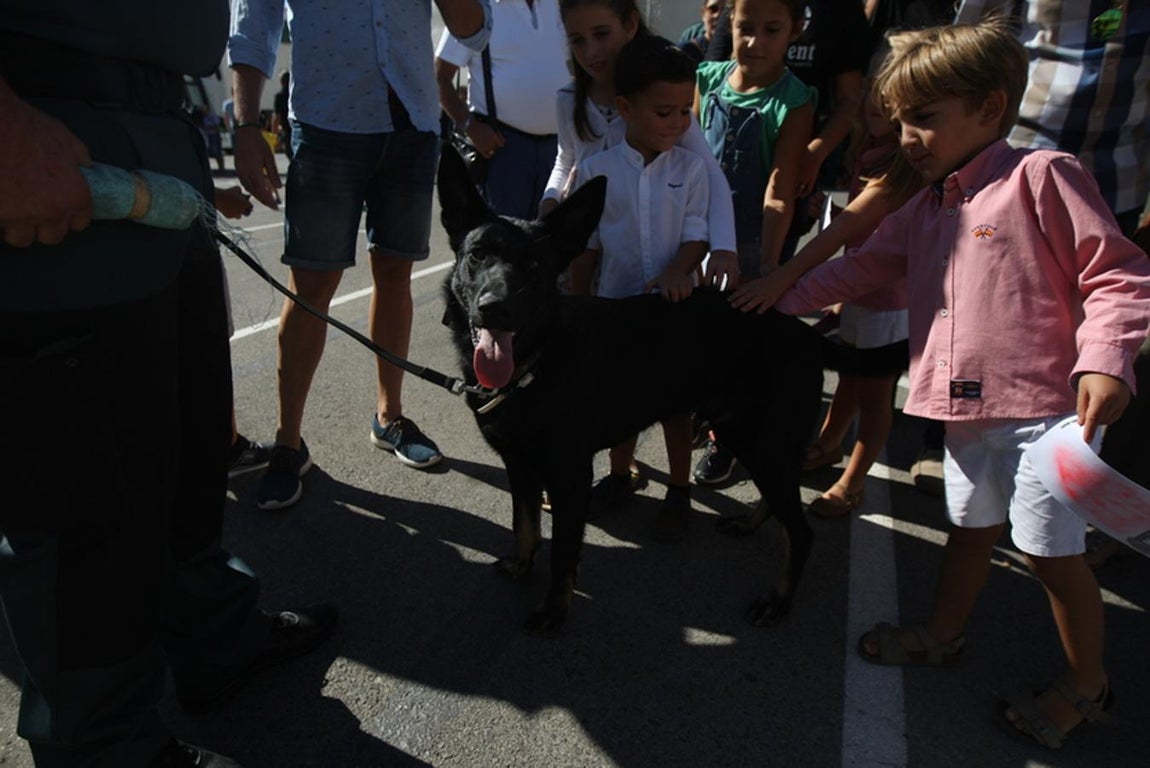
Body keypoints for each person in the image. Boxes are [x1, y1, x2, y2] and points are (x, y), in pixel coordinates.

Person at [773, 21, 1150, 748]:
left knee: (1049, 554)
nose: (908, 135)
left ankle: (1087, 684)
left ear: (989, 107)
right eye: (901, 118)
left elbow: (1118, 272)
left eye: (925, 118)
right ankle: (945, 634)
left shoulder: (1041, 176)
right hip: (965, 412)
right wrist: (769, 299)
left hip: (1047, 417)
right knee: (970, 528)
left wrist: (1106, 357)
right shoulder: (926, 206)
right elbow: (861, 270)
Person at [0, 4, 338, 765]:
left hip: (153, 147)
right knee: (84, 498)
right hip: (54, 145)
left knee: (186, 446)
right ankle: (105, 746)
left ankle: (216, 638)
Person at [228, 0, 492, 510]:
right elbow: (253, 21)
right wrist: (244, 125)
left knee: (395, 275)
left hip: (413, 122)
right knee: (311, 289)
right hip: (327, 121)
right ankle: (288, 444)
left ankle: (389, 416)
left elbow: (473, 29)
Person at [730, 87, 923, 517]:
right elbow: (845, 231)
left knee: (874, 393)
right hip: (857, 294)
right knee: (851, 377)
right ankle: (829, 443)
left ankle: (852, 483)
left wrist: (783, 282)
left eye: (889, 98)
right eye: (870, 93)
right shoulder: (871, 151)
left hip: (887, 302)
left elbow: (845, 234)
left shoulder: (902, 169)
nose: (874, 104)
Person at [567, 34, 711, 540]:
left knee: (675, 403)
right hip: (613, 312)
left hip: (674, 311)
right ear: (625, 107)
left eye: (684, 113)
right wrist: (576, 303)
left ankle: (678, 488)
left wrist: (679, 270)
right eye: (664, 112)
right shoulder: (595, 170)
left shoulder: (692, 170)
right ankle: (619, 474)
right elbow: (587, 247)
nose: (676, 124)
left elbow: (698, 233)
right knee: (618, 400)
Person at [690, 0, 815, 485]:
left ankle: (729, 442)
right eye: (745, 28)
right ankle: (706, 414)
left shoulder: (795, 101)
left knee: (738, 348)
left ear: (794, 31)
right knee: (702, 336)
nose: (755, 42)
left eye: (771, 30)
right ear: (728, 25)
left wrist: (764, 266)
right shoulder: (707, 79)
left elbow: (779, 193)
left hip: (753, 240)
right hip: (699, 233)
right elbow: (691, 157)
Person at [541, 0, 738, 288]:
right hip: (590, 257)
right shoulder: (568, 100)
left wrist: (724, 247)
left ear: (630, 25)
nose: (591, 51)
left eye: (601, 34)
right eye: (577, 40)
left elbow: (710, 172)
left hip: (660, 277)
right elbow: (566, 159)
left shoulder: (661, 105)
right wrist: (549, 204)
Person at [435, 0, 570, 221]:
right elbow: (440, 77)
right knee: (506, 241)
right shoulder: (478, 8)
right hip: (503, 150)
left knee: (552, 243)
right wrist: (471, 126)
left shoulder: (559, 5)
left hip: (559, 150)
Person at [678, 0, 727, 65]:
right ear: (703, 14)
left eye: (725, 11)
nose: (718, 15)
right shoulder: (687, 51)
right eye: (713, 9)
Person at [271, 70, 292, 160]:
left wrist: (274, 131)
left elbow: (277, 116)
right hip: (299, 127)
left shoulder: (280, 96)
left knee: (290, 153)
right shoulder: (295, 94)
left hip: (287, 128)